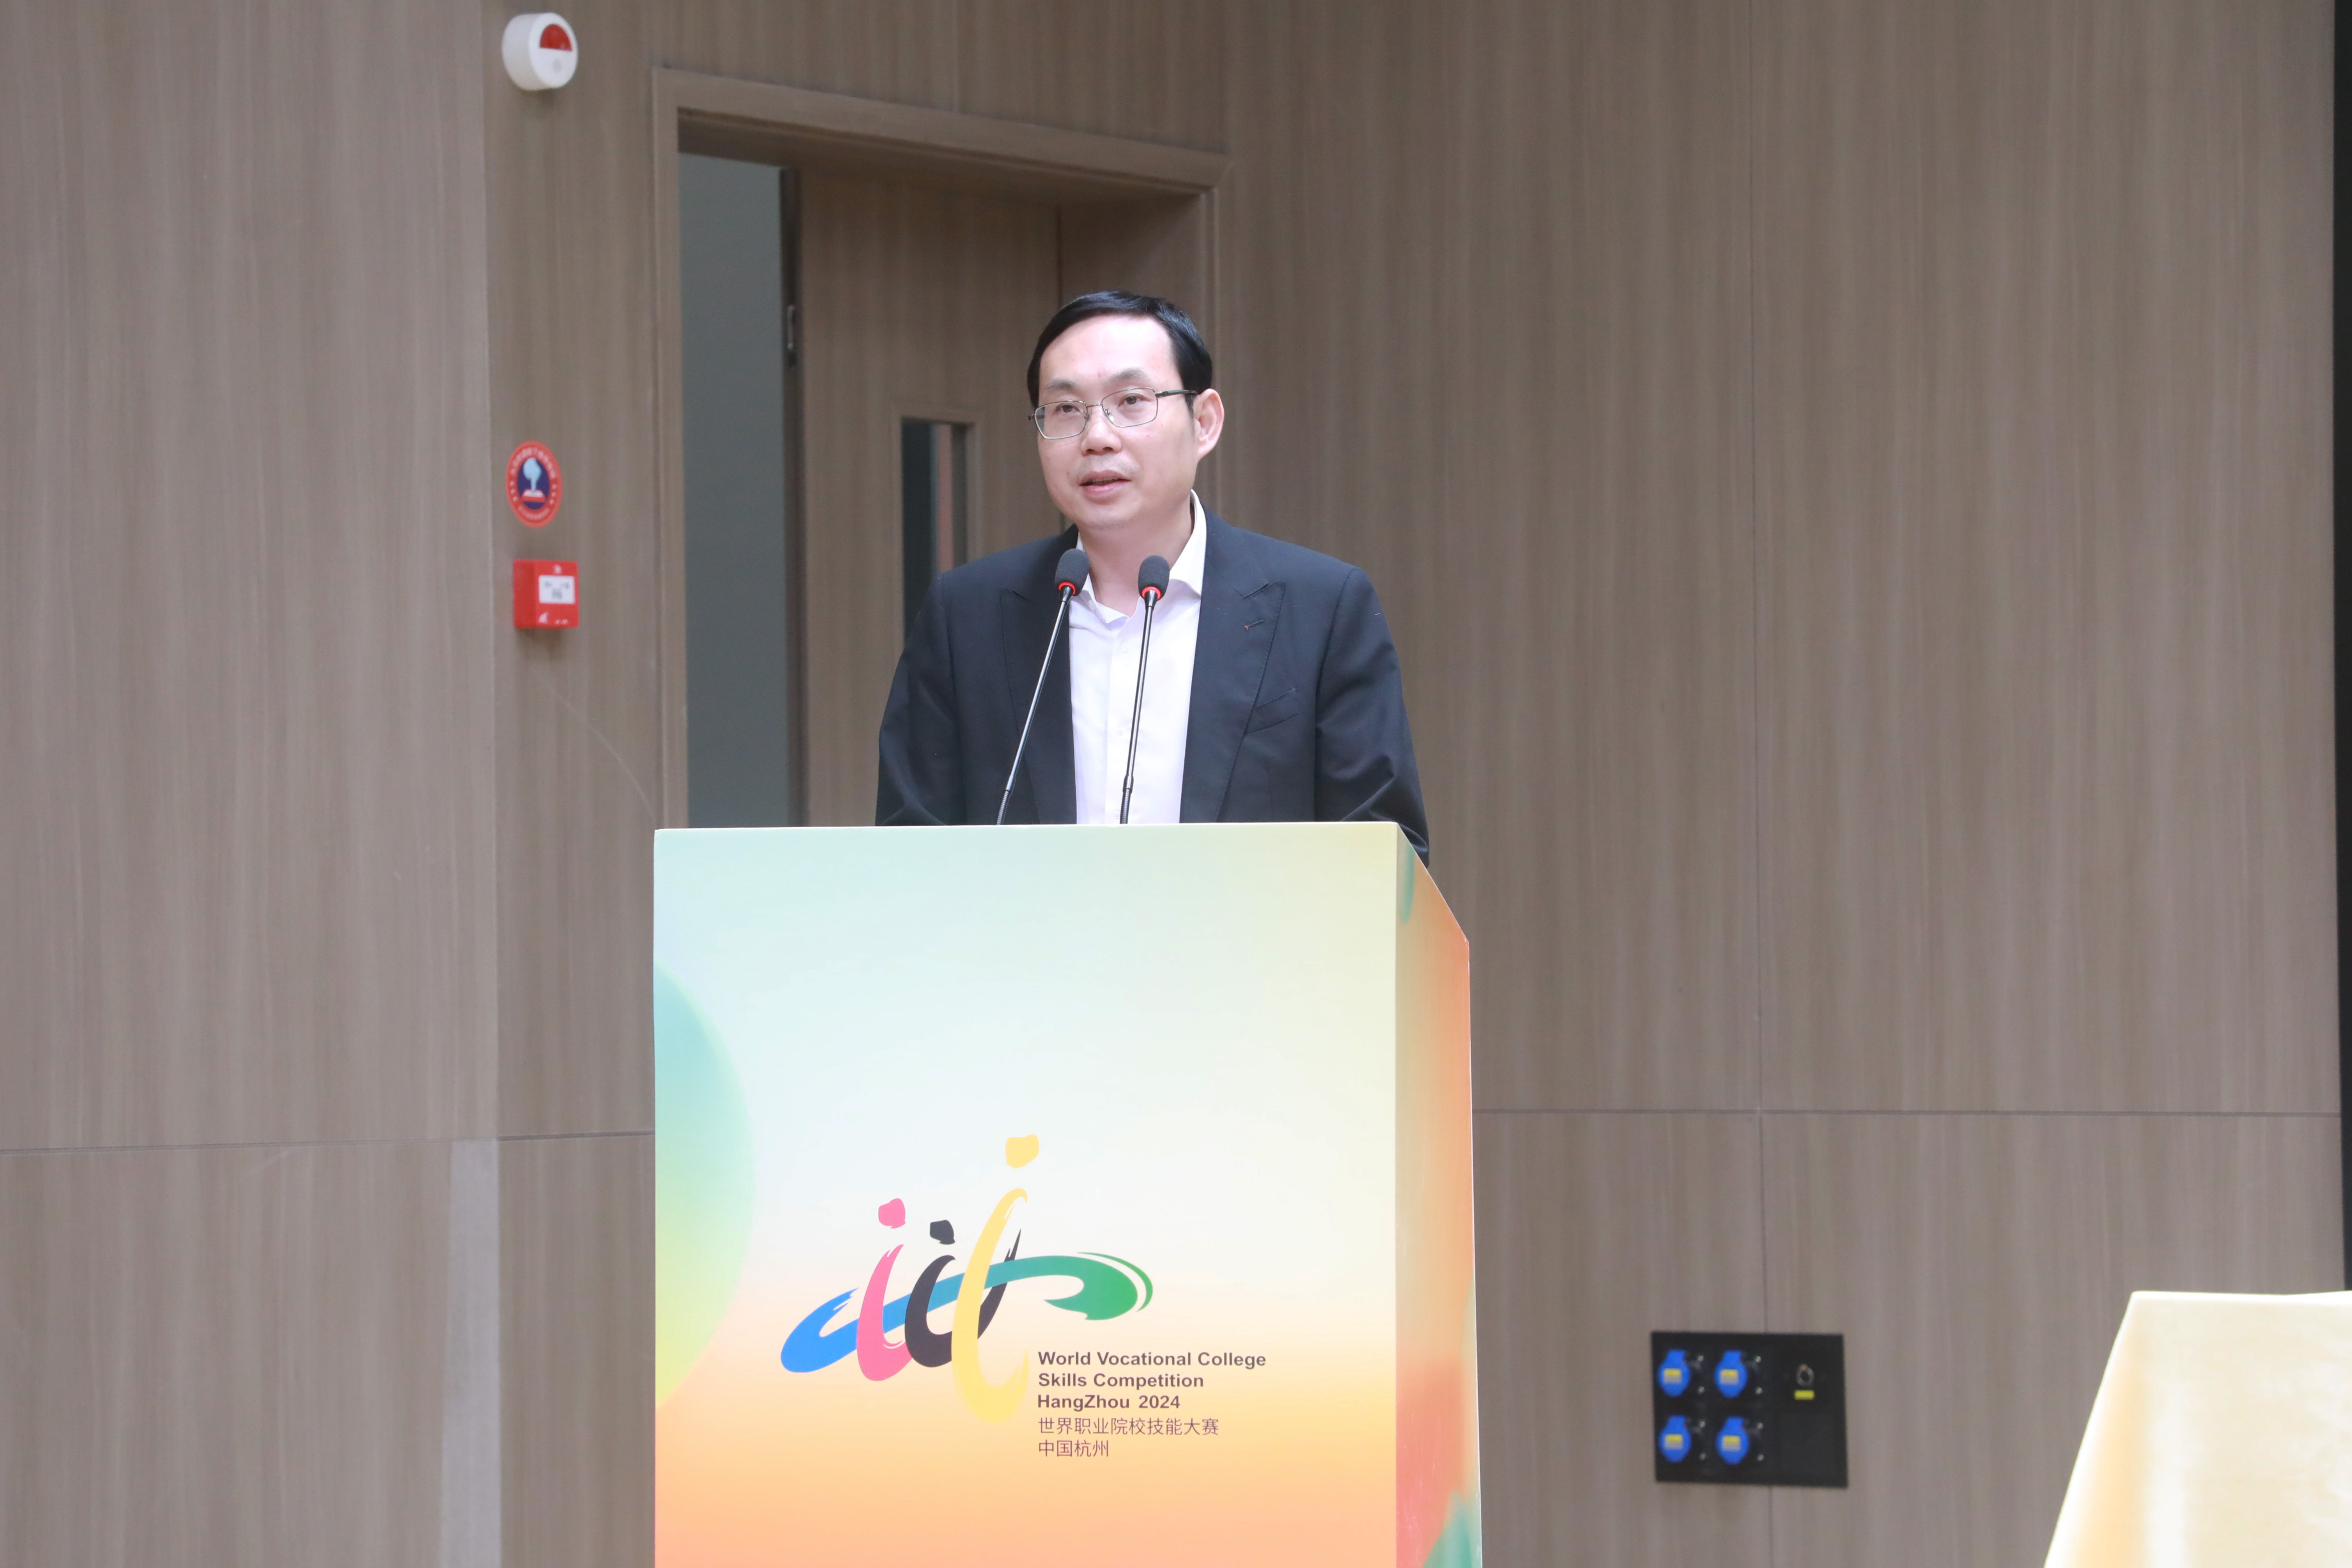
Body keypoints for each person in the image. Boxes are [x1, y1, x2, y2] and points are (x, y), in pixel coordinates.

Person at [875, 291, 1428, 859]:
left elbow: (1385, 857)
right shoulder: (966, 615)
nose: (1097, 437)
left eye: (1132, 401)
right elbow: (909, 852)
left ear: (1204, 422)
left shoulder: (1321, 608)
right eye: (1065, 410)